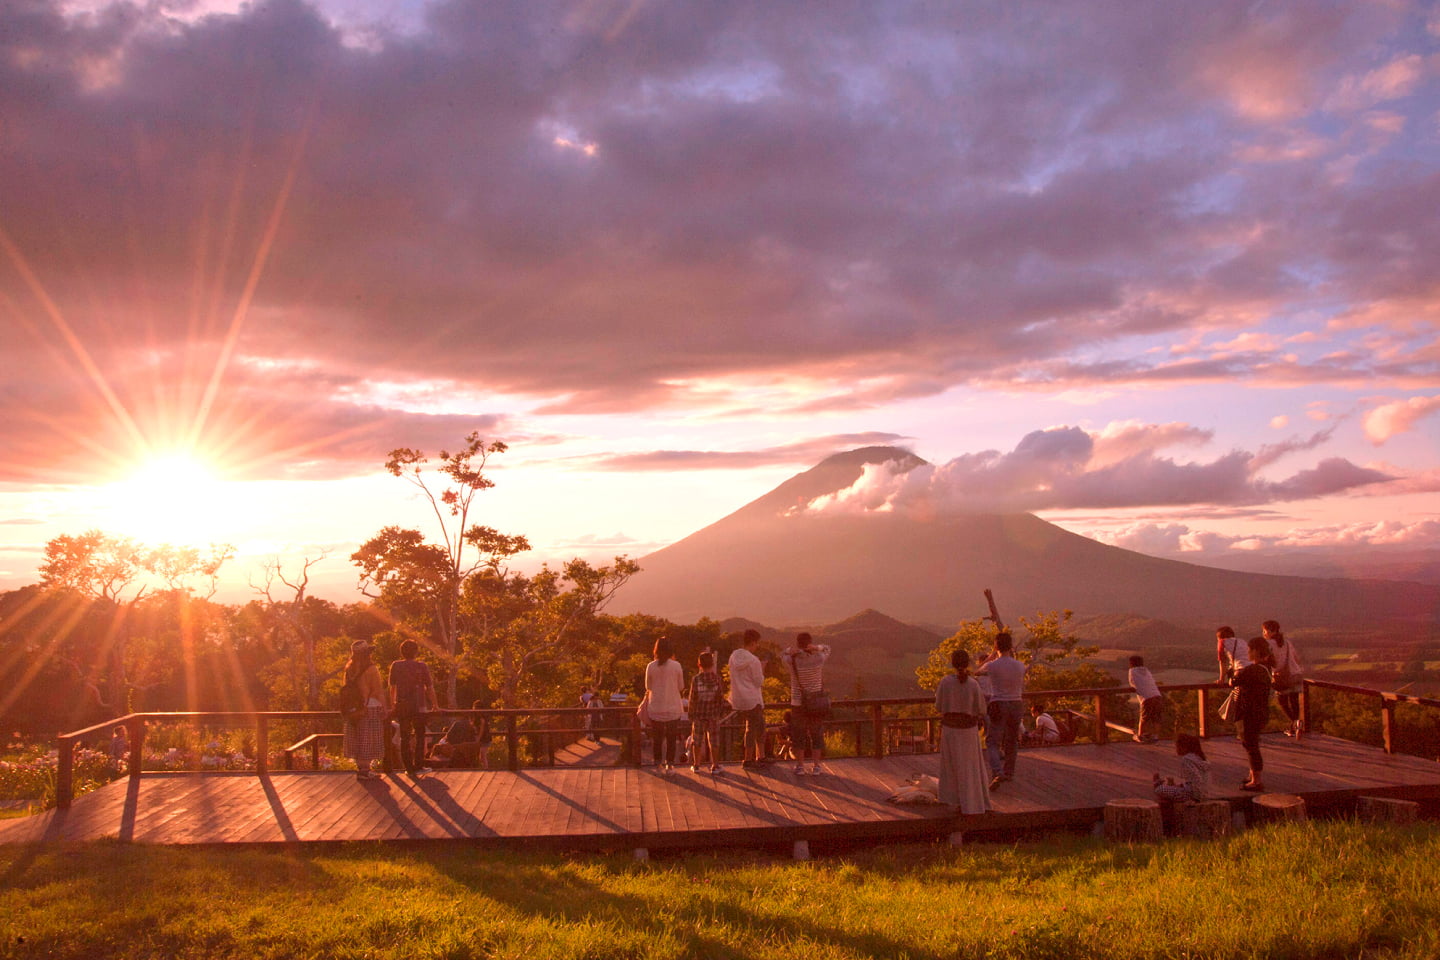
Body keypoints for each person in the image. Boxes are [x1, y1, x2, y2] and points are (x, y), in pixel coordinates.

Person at [934, 648, 993, 814]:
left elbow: (938, 706)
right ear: (967, 663)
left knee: (951, 766)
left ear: (953, 663)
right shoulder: (973, 684)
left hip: (950, 730)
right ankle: (973, 803)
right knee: (970, 767)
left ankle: (953, 799)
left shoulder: (946, 682)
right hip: (967, 730)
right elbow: (981, 709)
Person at [974, 631, 1026, 790]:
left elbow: (976, 672)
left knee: (992, 741)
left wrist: (991, 655)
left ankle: (997, 772)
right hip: (1016, 703)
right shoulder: (1020, 665)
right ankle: (1009, 772)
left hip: (998, 704)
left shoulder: (992, 665)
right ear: (1011, 646)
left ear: (996, 645)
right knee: (1011, 740)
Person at [388, 639, 438, 778]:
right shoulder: (421, 666)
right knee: (420, 736)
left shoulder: (396, 666)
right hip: (419, 706)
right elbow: (429, 687)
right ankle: (419, 765)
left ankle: (408, 768)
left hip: (402, 705)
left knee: (405, 737)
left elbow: (392, 687)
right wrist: (435, 704)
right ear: (416, 652)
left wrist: (393, 704)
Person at [782, 632, 831, 775]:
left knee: (799, 735)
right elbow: (827, 649)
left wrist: (789, 651)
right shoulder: (818, 659)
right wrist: (816, 647)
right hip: (816, 702)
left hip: (798, 703)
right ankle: (816, 766)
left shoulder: (792, 661)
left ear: (797, 644)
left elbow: (782, 655)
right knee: (816, 734)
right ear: (809, 643)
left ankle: (800, 766)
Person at [343, 639, 390, 781]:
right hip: (370, 707)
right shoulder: (371, 669)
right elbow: (377, 690)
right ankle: (365, 769)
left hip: (354, 709)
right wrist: (385, 707)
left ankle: (361, 768)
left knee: (357, 737)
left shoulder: (349, 669)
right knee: (368, 738)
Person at [1232, 636, 1274, 791]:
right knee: (1251, 744)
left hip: (1249, 712)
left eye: (1249, 650)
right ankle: (1252, 775)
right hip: (1260, 711)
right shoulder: (1265, 668)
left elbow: (1234, 681)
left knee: (1251, 746)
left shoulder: (1253, 669)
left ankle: (1256, 781)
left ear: (1256, 651)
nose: (1248, 653)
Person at [644, 636, 686, 772]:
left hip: (656, 707)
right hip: (673, 708)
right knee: (671, 738)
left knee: (657, 738)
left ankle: (657, 763)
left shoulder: (650, 666)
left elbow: (648, 686)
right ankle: (670, 764)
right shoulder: (676, 666)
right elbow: (681, 687)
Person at [728, 629, 768, 768]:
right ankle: (750, 759)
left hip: (738, 699)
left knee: (755, 727)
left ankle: (759, 757)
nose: (757, 646)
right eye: (757, 643)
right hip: (752, 699)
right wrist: (762, 670)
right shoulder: (754, 660)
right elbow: (759, 682)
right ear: (752, 642)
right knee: (755, 728)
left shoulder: (733, 657)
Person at [1264, 620, 1305, 739]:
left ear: (1272, 631)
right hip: (1296, 675)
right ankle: (1294, 727)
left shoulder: (1268, 644)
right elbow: (1296, 657)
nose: (1264, 633)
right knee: (1294, 702)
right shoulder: (1287, 642)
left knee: (1282, 702)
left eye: (1265, 631)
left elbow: (1267, 660)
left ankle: (1295, 722)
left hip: (1282, 677)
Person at [689, 650, 725, 773]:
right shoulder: (717, 679)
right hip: (713, 715)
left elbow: (692, 698)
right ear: (712, 664)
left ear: (699, 664)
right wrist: (720, 712)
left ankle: (696, 765)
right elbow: (720, 697)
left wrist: (691, 713)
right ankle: (715, 765)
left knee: (697, 740)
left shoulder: (696, 679)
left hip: (698, 714)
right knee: (714, 740)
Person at [1152, 733, 1211, 802]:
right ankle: (1169, 786)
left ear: (1184, 747)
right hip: (1204, 794)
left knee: (1159, 790)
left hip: (1192, 795)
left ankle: (1158, 785)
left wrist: (1195, 796)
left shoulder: (1187, 759)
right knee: (1173, 788)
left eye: (1177, 746)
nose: (1176, 749)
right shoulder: (1201, 758)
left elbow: (1196, 779)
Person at [427, 702, 488, 768]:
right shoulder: (472, 726)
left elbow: (448, 736)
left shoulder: (457, 724)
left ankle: (432, 766)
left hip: (456, 748)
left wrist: (444, 741)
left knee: (436, 747)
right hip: (465, 748)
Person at [1128, 655, 1163, 743]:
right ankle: (1155, 736)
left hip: (1147, 697)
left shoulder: (1132, 671)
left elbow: (1132, 683)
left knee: (1144, 718)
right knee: (1156, 717)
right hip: (1157, 695)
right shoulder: (1146, 670)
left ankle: (1141, 736)